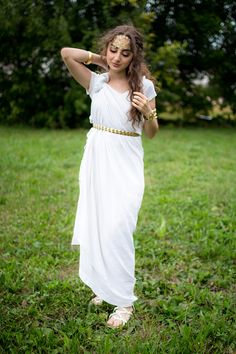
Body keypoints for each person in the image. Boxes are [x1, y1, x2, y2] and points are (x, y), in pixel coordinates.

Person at [61, 24, 159, 329]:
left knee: (118, 227)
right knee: (99, 225)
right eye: (113, 49)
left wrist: (148, 112)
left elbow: (153, 134)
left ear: (134, 56)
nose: (117, 57)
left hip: (126, 161)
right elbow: (67, 54)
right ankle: (105, 287)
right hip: (97, 159)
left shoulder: (144, 86)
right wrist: (100, 59)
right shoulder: (97, 83)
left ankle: (124, 301)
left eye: (125, 53)